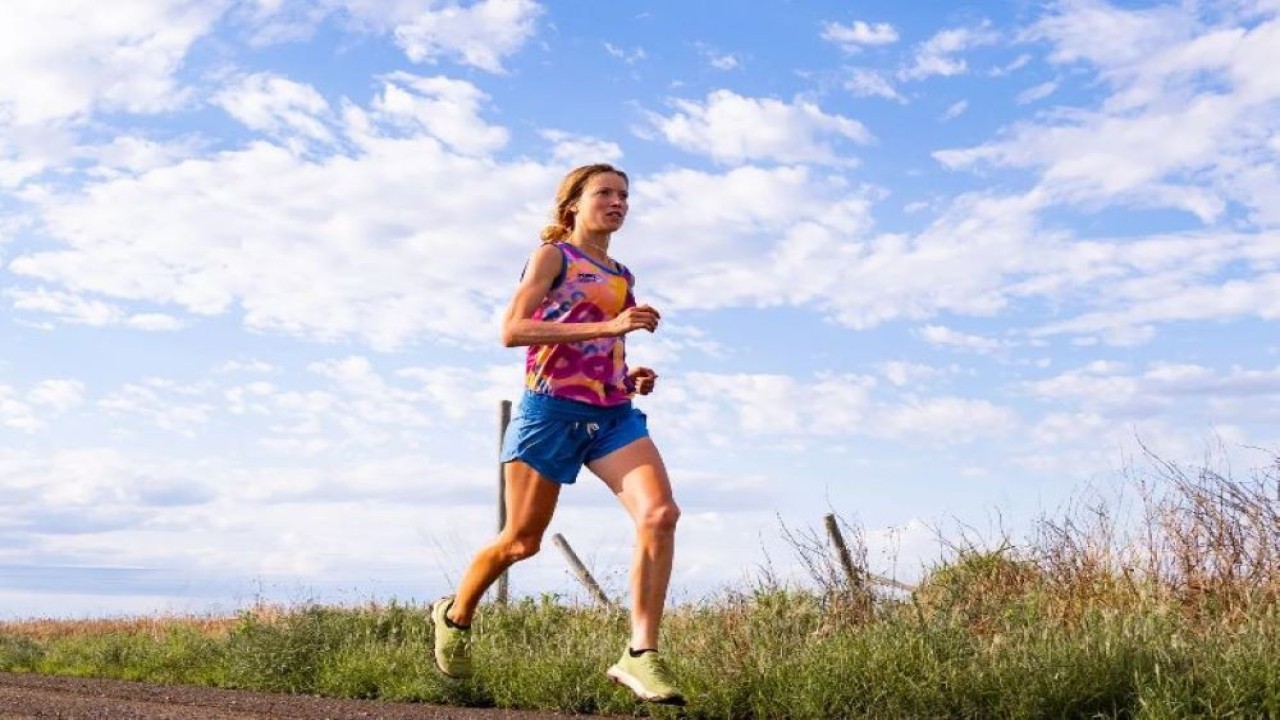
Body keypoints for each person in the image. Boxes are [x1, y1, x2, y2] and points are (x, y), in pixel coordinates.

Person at [430, 163, 685, 705]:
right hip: (549, 413)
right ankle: (454, 614)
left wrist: (627, 374)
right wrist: (611, 326)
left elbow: (602, 348)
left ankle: (640, 654)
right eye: (605, 193)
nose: (618, 202)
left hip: (612, 415)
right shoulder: (554, 257)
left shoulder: (622, 274)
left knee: (660, 514)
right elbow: (512, 331)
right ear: (573, 203)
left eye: (625, 194)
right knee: (521, 542)